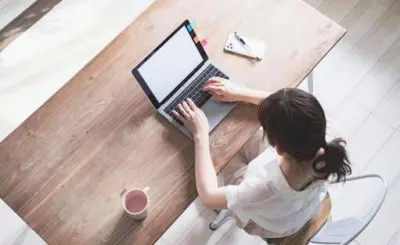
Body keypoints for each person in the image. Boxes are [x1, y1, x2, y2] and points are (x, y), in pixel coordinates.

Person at [171, 77, 352, 239]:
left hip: (271, 224)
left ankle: (227, 201)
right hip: (301, 204)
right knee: (239, 136)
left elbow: (208, 196)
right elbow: (288, 108)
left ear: (279, 149)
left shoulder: (262, 190)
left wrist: (201, 134)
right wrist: (239, 93)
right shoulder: (328, 133)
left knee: (219, 151)